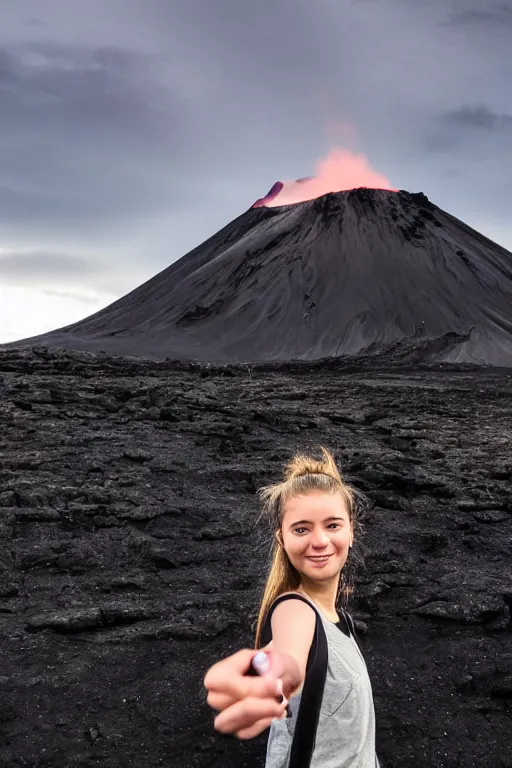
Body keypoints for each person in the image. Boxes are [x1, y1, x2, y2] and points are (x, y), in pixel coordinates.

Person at [204, 446, 379, 767]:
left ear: (351, 531)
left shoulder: (340, 619)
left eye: (333, 525)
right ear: (282, 539)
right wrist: (271, 675)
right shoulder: (295, 610)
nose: (320, 541)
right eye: (301, 528)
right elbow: (288, 656)